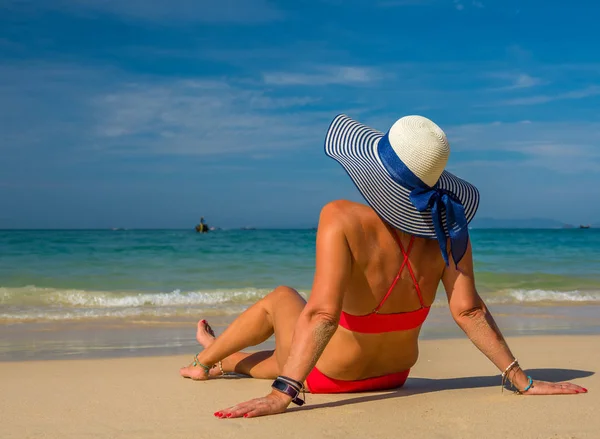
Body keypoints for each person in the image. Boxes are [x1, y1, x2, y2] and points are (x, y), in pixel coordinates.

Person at [180, 114, 587, 418]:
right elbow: (469, 311)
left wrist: (282, 394)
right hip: (393, 375)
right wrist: (522, 380)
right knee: (268, 358)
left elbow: (322, 313)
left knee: (283, 299)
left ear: (373, 171)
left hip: (326, 374)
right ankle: (217, 357)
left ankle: (202, 363)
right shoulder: (449, 226)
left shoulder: (340, 216)